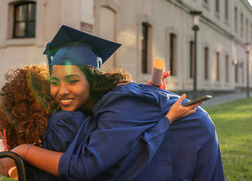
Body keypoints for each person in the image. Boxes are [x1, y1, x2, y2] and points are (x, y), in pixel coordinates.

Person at [5, 25, 225, 180]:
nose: (62, 91)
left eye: (73, 80)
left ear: (92, 80)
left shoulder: (117, 104)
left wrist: (24, 150)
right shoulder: (105, 102)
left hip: (191, 131)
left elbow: (84, 166)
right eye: (55, 81)